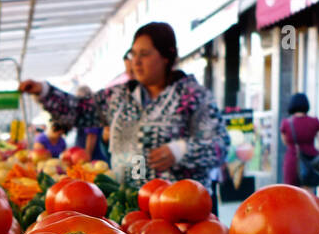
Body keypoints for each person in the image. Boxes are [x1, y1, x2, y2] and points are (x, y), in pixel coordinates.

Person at [19, 22, 229, 186]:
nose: (136, 61)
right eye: (133, 54)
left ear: (167, 56)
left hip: (180, 209)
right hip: (129, 206)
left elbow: (220, 145)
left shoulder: (193, 96)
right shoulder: (119, 97)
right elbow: (78, 110)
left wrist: (181, 150)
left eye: (145, 54)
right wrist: (44, 91)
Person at [280, 93, 319, 190]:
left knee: (291, 192)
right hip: (310, 160)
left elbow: (285, 142)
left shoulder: (286, 123)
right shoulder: (315, 121)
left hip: (292, 159)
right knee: (308, 194)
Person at [72, 86, 109, 163]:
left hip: (93, 158)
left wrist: (87, 157)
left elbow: (91, 136)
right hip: (94, 157)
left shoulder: (89, 111)